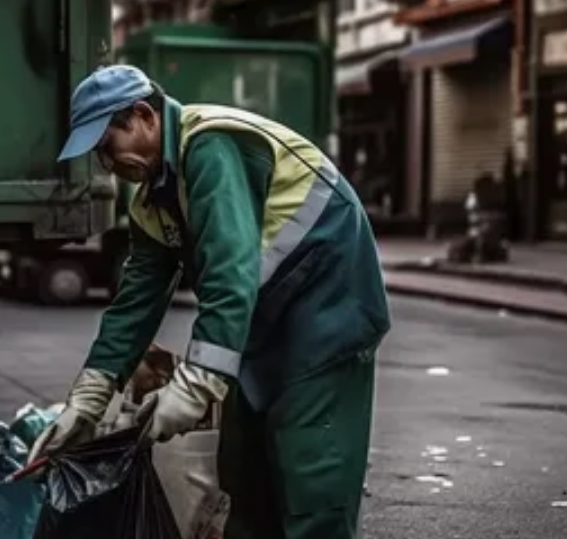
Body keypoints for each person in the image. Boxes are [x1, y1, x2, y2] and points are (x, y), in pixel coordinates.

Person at [28, 64, 391, 538]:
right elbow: (135, 302)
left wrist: (195, 384)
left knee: (311, 484)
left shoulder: (211, 147)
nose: (105, 165)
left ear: (143, 116)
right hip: (265, 321)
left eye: (105, 146)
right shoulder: (151, 200)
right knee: (245, 481)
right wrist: (88, 400)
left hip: (328, 311)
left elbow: (229, 272)